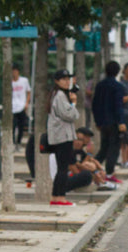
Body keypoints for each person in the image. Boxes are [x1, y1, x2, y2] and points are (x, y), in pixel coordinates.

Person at [47, 69, 80, 206]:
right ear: (57, 81)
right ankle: (60, 197)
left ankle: (56, 197)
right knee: (63, 168)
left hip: (60, 136)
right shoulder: (60, 95)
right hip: (62, 137)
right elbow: (70, 115)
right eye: (64, 79)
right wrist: (74, 103)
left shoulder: (56, 94)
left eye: (68, 79)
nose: (67, 82)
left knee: (61, 168)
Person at [92, 61, 126, 184]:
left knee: (104, 148)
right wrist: (121, 122)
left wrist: (97, 121)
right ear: (118, 72)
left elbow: (95, 104)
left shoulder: (99, 86)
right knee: (114, 148)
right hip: (114, 122)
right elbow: (118, 106)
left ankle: (92, 168)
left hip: (103, 122)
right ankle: (109, 173)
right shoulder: (118, 86)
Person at [11, 64, 31, 151]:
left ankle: (18, 143)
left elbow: (29, 92)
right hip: (12, 108)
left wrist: (26, 103)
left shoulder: (24, 81)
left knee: (21, 126)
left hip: (22, 107)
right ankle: (13, 143)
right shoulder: (9, 82)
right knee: (13, 126)